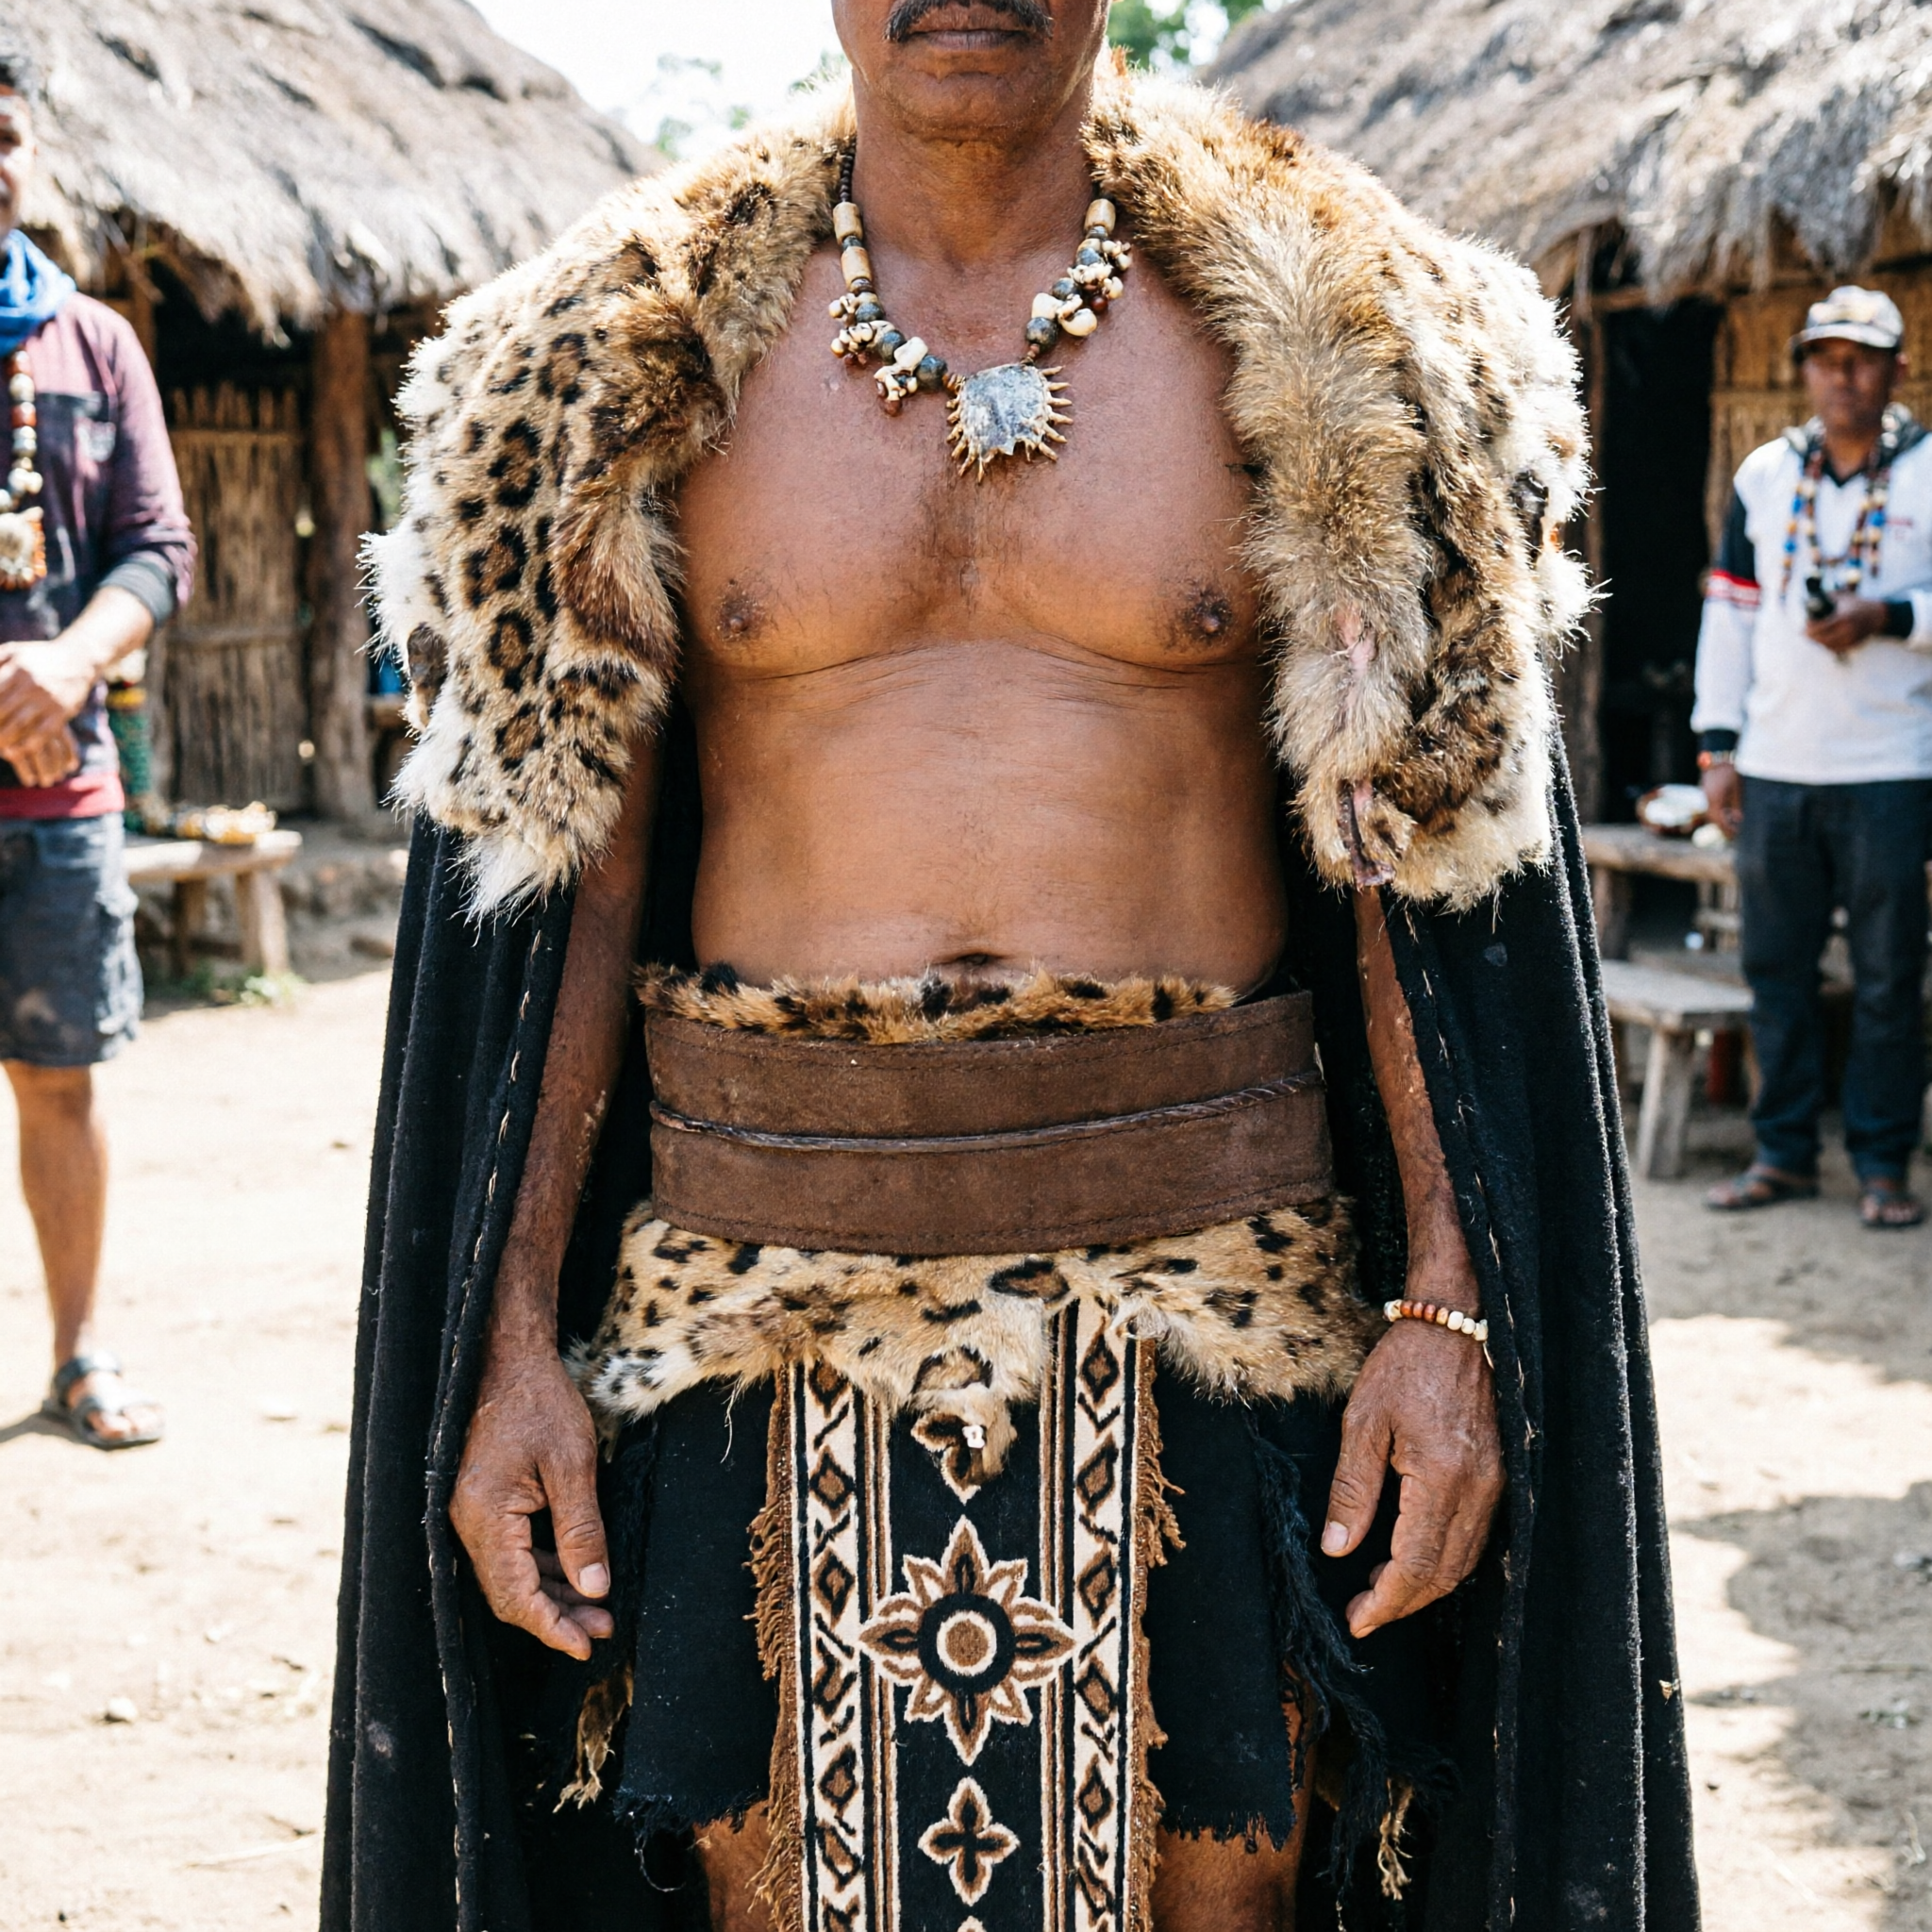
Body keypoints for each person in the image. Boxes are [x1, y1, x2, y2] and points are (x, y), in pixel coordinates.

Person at [325, 7, 1696, 1930]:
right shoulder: (611, 360)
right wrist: (503, 1344)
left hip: (1211, 1289)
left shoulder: (1344, 332)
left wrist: (1451, 1314)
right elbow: (570, 880)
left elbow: (1417, 875)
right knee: (763, 1872)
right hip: (754, 1303)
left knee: (1221, 1880)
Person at [0, 41, 194, 1446]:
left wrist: (68, 661)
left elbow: (158, 547)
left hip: (57, 791)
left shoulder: (94, 342)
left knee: (60, 1081)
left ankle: (77, 1359)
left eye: (3, 138)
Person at [1694, 285, 1932, 1230]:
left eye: (1862, 356)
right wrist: (1717, 747)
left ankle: (1880, 1162)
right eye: (1825, 356)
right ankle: (1780, 1151)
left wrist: (1890, 616)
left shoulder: (1924, 471)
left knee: (1886, 975)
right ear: (1800, 370)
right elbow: (1728, 615)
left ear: (1896, 370)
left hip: (1889, 767)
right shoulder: (1762, 475)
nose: (1842, 374)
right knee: (1775, 970)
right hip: (1776, 764)